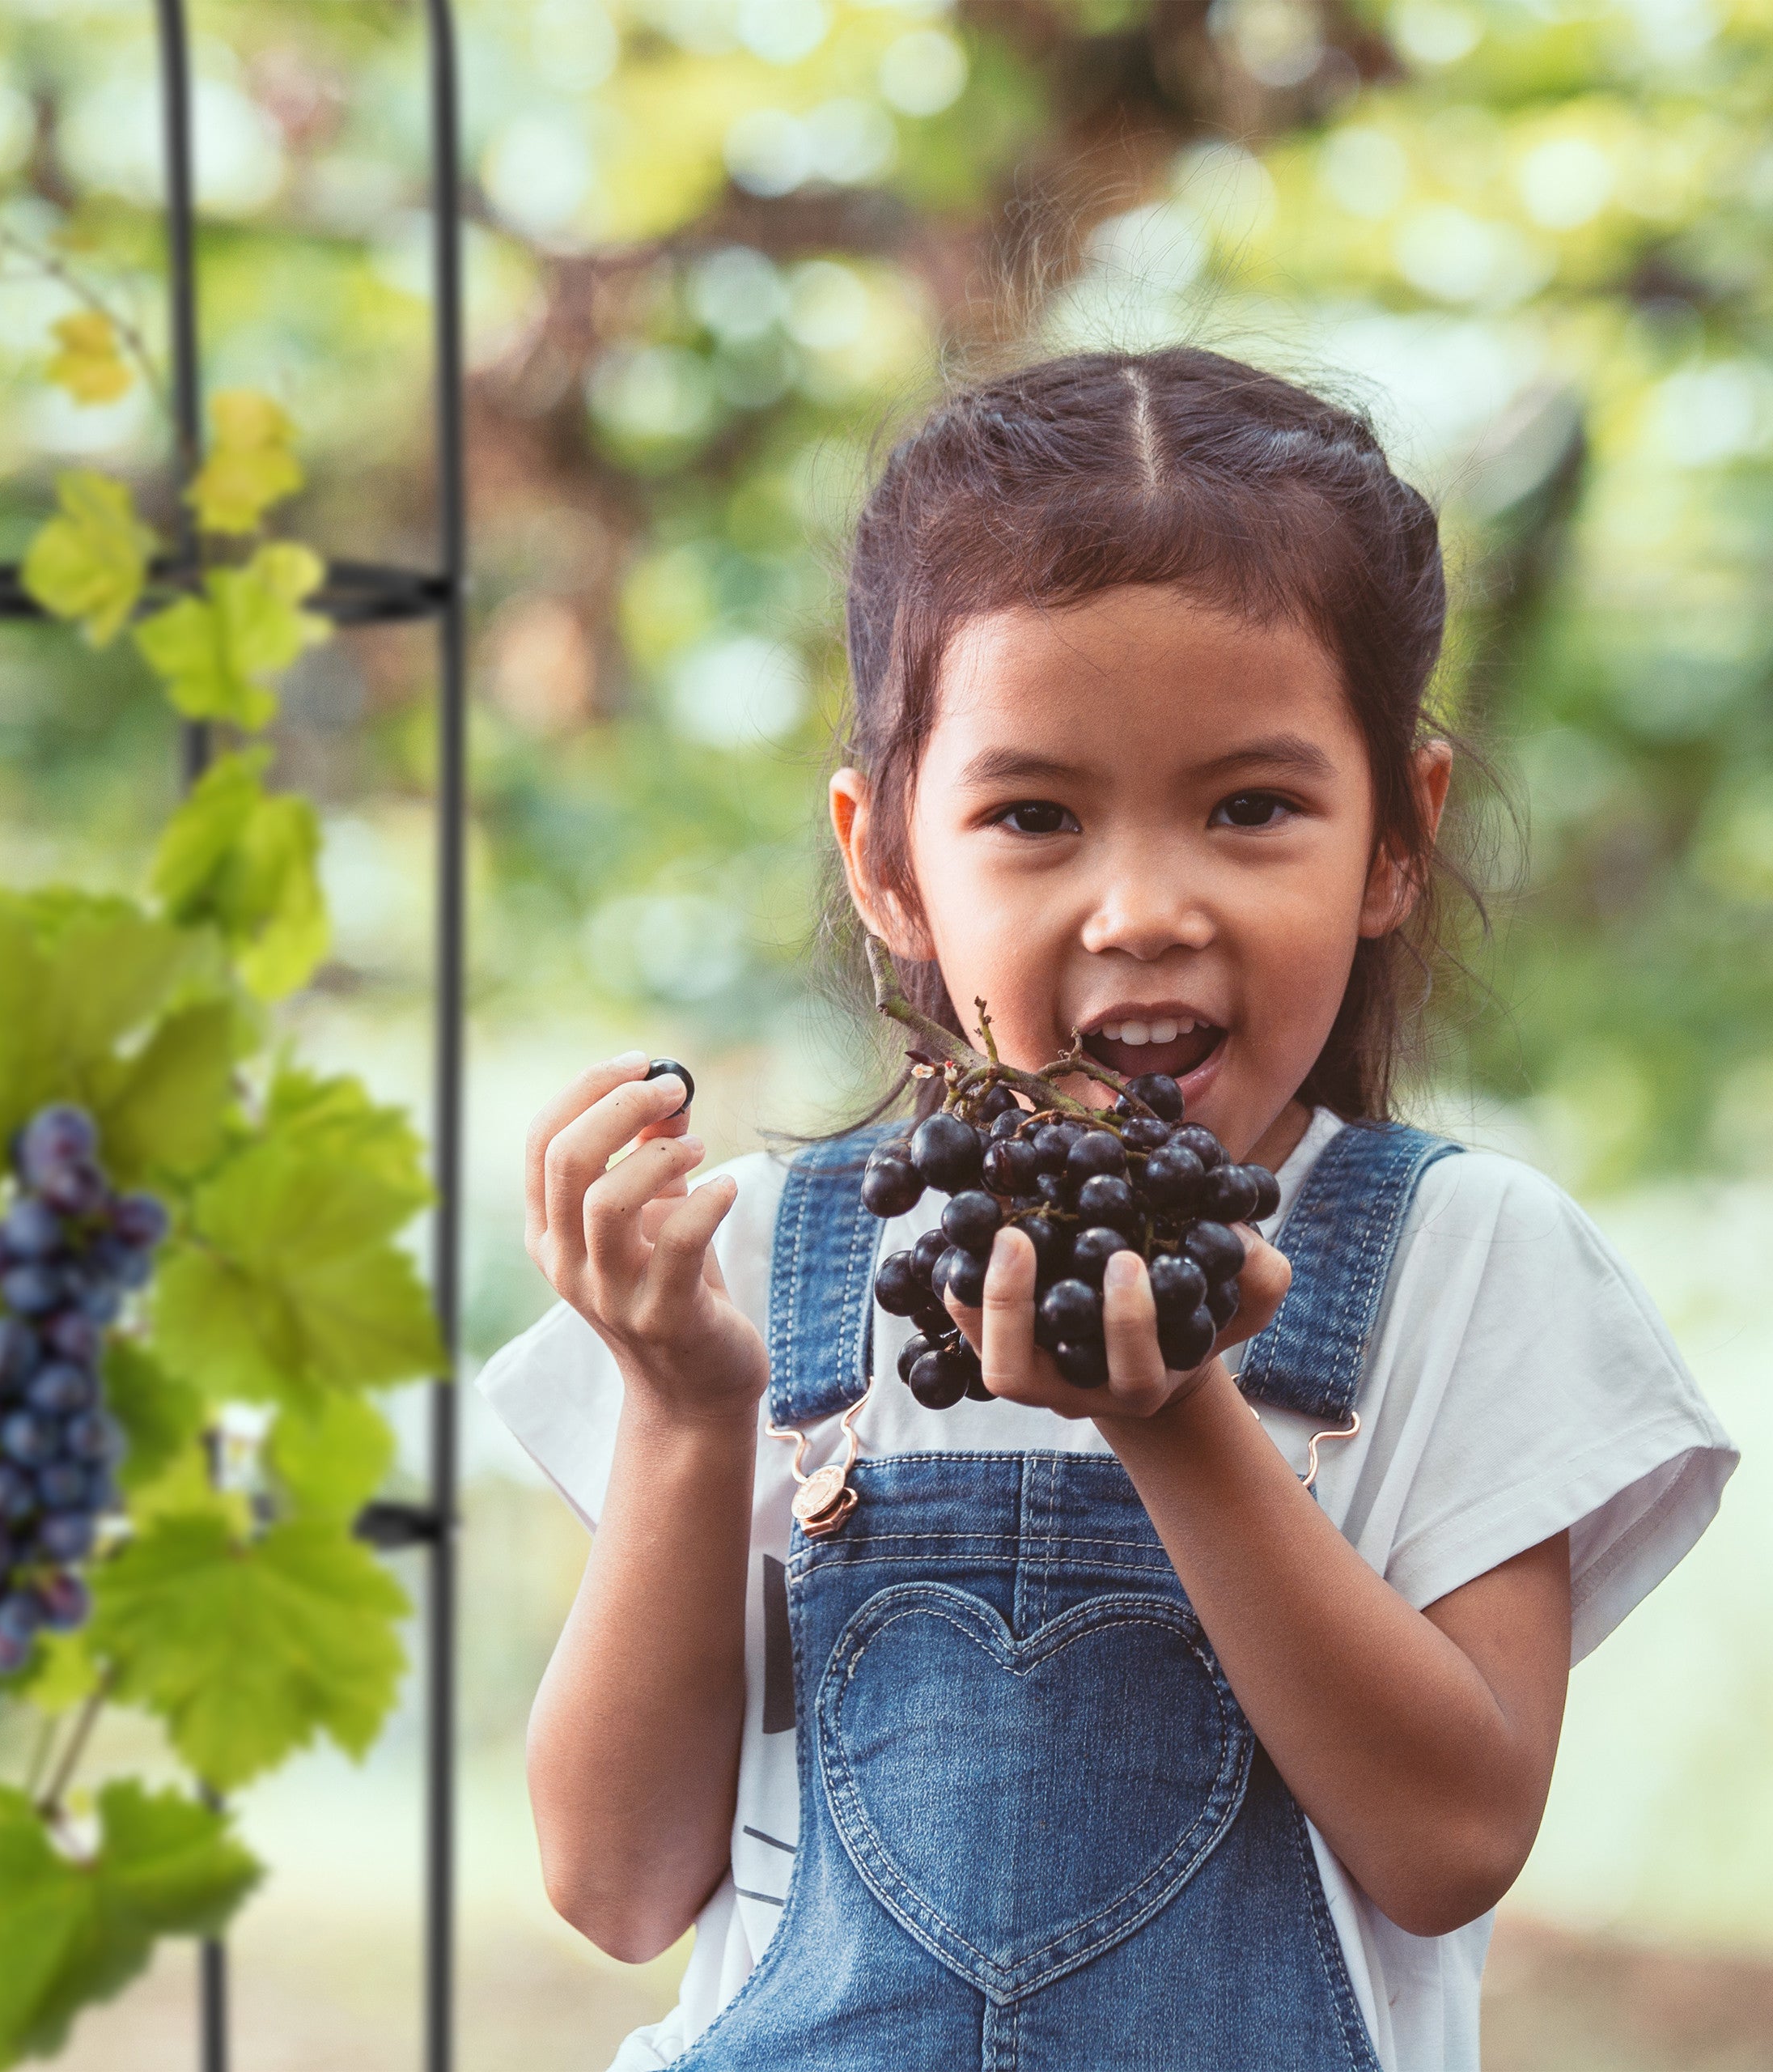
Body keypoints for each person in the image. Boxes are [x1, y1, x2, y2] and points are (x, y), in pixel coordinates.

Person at [478, 348, 1736, 2072]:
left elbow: (1446, 1845)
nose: (1141, 904)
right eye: (1032, 814)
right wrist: (692, 1409)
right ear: (886, 860)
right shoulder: (760, 1268)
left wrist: (1179, 1425)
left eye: (1248, 806)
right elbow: (618, 1882)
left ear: (1395, 835)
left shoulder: (1468, 1266)